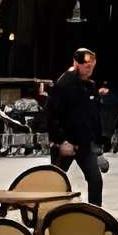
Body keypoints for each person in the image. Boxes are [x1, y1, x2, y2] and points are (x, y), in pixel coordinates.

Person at [45, 47, 110, 206]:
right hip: (67, 143)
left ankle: (96, 215)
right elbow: (52, 114)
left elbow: (92, 117)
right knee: (55, 183)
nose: (89, 69)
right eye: (86, 66)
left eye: (92, 66)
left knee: (95, 180)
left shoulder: (89, 85)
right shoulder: (64, 84)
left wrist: (99, 147)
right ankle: (45, 213)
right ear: (76, 63)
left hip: (84, 144)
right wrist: (60, 141)